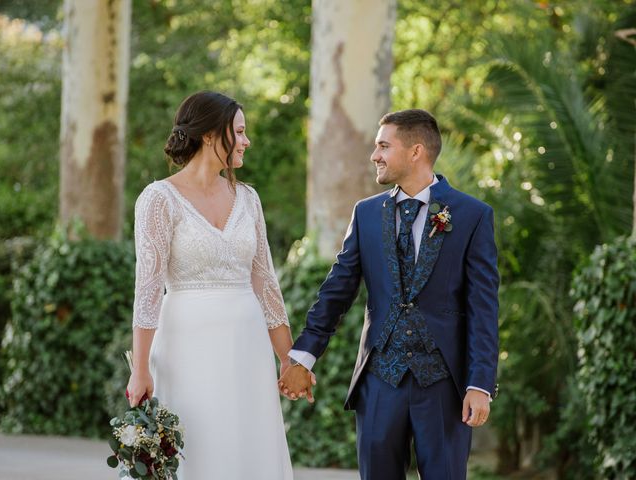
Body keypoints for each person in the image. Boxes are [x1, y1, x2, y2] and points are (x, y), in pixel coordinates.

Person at [279, 109, 499, 479]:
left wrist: (480, 384)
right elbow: (337, 291)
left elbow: (483, 308)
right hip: (381, 381)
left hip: (444, 385)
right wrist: (303, 356)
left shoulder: (471, 215)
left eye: (383, 145)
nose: (374, 155)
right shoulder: (366, 214)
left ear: (416, 151)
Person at [126, 91, 295, 479]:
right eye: (239, 131)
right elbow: (148, 291)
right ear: (208, 135)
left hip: (246, 346)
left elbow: (266, 284)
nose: (246, 141)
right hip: (186, 344)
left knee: (247, 444)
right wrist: (140, 369)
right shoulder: (158, 199)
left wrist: (288, 360)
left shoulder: (249, 200)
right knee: (195, 444)